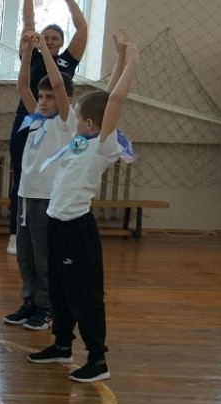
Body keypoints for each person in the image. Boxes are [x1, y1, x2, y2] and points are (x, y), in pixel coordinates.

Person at [28, 31, 138, 383]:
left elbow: (115, 100)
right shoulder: (83, 140)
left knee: (84, 293)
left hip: (77, 227)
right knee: (60, 288)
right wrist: (119, 57)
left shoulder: (103, 145)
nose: (74, 122)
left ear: (90, 124)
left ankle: (97, 359)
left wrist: (133, 59)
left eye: (78, 119)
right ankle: (62, 344)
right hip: (57, 222)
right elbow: (107, 95)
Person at [9, 0, 88, 253]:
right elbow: (28, 23)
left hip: (60, 122)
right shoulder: (31, 53)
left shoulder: (67, 60)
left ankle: (55, 226)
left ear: (61, 42)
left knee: (57, 171)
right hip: (30, 117)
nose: (51, 40)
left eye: (56, 38)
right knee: (22, 174)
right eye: (47, 37)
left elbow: (82, 29)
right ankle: (16, 231)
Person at [2, 31, 75, 332]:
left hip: (47, 198)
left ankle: (47, 307)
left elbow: (58, 83)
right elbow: (22, 86)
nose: (43, 101)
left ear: (65, 100)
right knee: (26, 255)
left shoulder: (65, 122)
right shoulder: (35, 117)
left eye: (49, 97)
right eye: (41, 96)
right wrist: (27, 54)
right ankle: (30, 301)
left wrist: (44, 48)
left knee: (45, 256)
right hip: (26, 195)